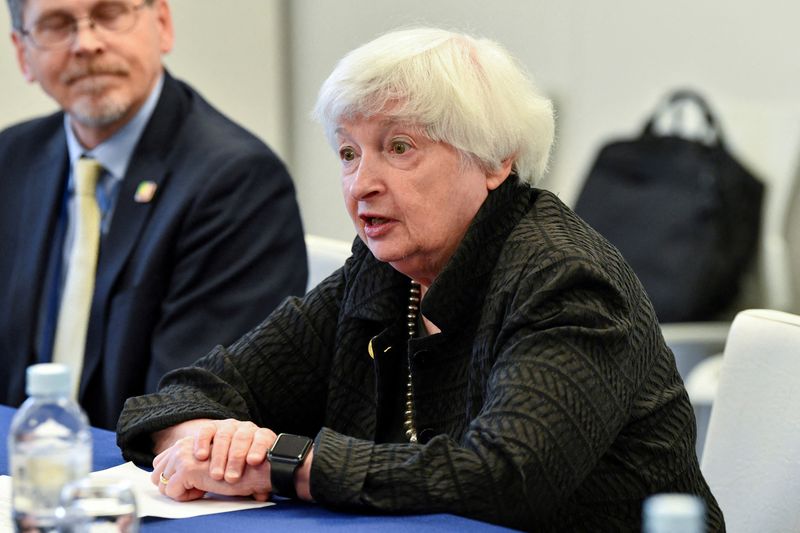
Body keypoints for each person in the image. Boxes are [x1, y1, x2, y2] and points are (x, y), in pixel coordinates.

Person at [116, 27, 724, 531]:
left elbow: (507, 477)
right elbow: (183, 393)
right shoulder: (381, 271)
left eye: (399, 147)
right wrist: (209, 442)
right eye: (349, 153)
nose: (361, 185)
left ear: (494, 159)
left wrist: (284, 463)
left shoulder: (566, 280)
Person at [0, 0, 307, 430]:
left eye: (109, 14)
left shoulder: (237, 183)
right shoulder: (11, 160)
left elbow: (187, 408)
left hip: (145, 480)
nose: (86, 43)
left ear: (162, 24)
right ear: (22, 53)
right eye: (56, 25)